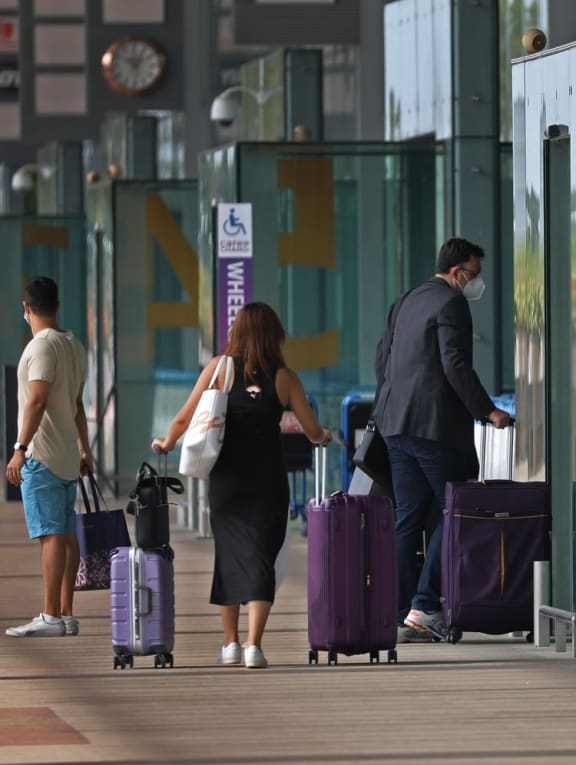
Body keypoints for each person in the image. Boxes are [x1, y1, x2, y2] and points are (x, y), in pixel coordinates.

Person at [152, 302, 331, 669]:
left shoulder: (219, 368)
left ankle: (230, 644)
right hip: (268, 479)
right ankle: (254, 646)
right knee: (262, 556)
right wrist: (325, 435)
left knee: (230, 555)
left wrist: (167, 442)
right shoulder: (285, 377)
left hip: (228, 480)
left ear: (237, 332)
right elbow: (312, 431)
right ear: (274, 336)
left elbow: (186, 415)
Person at [372, 237, 510, 643]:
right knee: (458, 510)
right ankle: (426, 606)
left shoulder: (405, 300)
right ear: (457, 272)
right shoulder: (452, 304)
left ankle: (400, 612)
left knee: (408, 518)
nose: (475, 283)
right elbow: (455, 366)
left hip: (396, 425)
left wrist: (388, 408)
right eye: (474, 275)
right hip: (436, 429)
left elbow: (382, 360)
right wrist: (489, 411)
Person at [5, 277, 92, 638]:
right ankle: (66, 613)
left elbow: (37, 400)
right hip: (67, 456)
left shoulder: (41, 347)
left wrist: (19, 449)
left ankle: (50, 615)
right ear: (57, 305)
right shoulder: (74, 346)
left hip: (42, 455)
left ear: (26, 308)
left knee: (51, 536)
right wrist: (84, 448)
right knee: (66, 534)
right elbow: (76, 406)